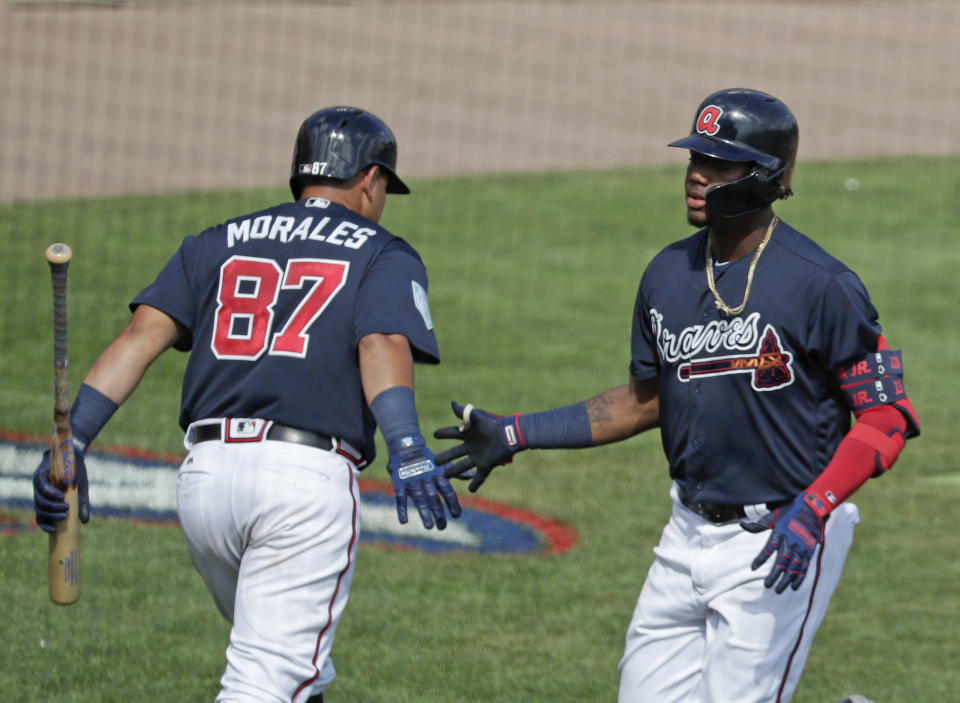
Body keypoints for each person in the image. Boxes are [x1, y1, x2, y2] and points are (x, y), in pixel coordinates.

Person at [433, 88, 920, 703]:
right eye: (695, 158)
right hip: (685, 532)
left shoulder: (823, 286)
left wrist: (815, 508)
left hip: (782, 535)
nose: (696, 174)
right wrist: (516, 433)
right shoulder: (667, 273)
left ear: (765, 177)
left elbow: (887, 418)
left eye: (718, 164)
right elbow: (645, 400)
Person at [32, 106, 462, 702]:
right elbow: (382, 341)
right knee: (263, 681)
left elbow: (139, 338)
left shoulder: (218, 240)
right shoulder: (382, 253)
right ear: (369, 179)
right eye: (385, 184)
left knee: (289, 666)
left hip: (206, 486)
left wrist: (73, 438)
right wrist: (408, 444)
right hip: (301, 488)